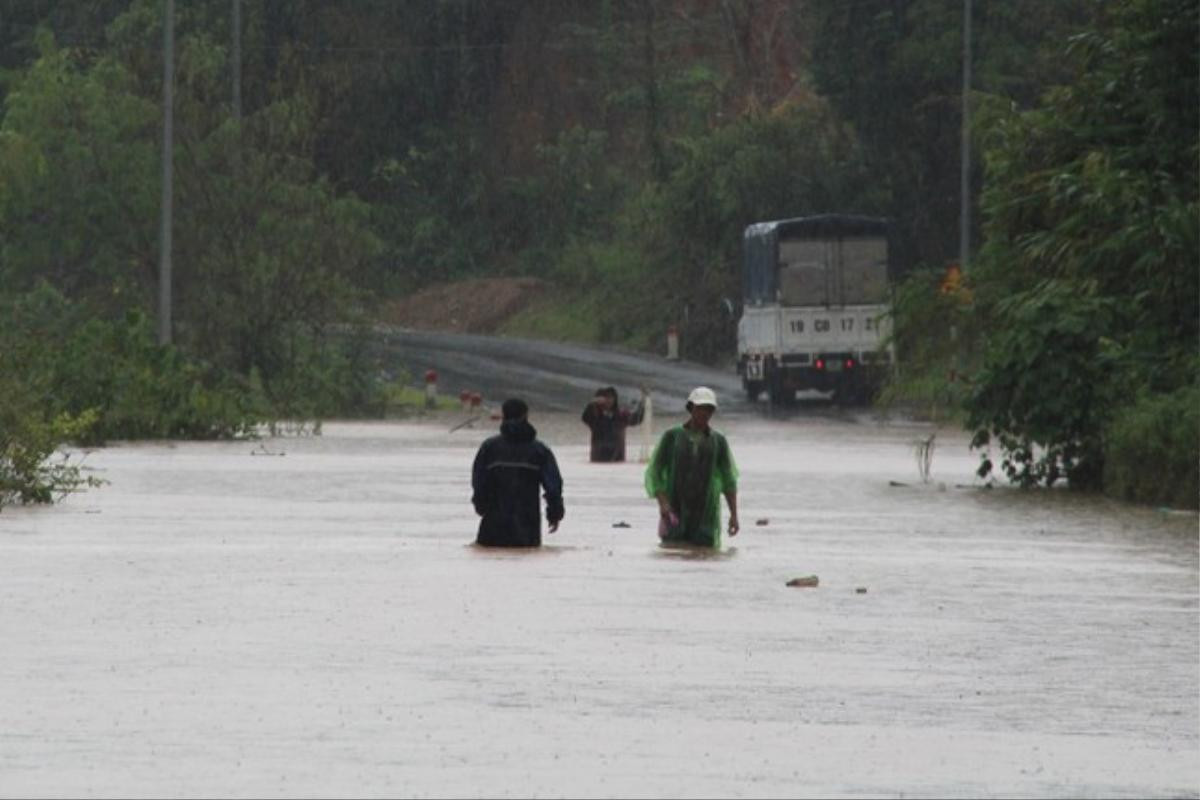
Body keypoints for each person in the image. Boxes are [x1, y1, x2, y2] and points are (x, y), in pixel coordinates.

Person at [643, 386, 739, 548]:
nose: (704, 413)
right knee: (673, 550)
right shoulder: (672, 436)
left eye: (709, 409)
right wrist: (663, 503)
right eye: (700, 408)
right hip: (675, 507)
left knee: (704, 553)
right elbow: (655, 472)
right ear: (691, 408)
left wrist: (734, 515)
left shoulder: (718, 441)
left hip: (706, 513)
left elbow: (729, 480)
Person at [471, 398, 564, 548]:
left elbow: (478, 482)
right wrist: (554, 514)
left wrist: (480, 506)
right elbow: (553, 487)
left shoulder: (489, 448)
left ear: (503, 416)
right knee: (526, 562)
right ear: (526, 416)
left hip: (492, 524)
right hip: (527, 526)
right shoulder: (540, 451)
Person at [581, 386, 646, 462]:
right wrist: (592, 404)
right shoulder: (595, 417)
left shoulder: (621, 415)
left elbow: (636, 419)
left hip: (617, 458)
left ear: (615, 399)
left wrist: (643, 402)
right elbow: (585, 418)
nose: (609, 400)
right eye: (605, 398)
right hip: (598, 459)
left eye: (611, 397)